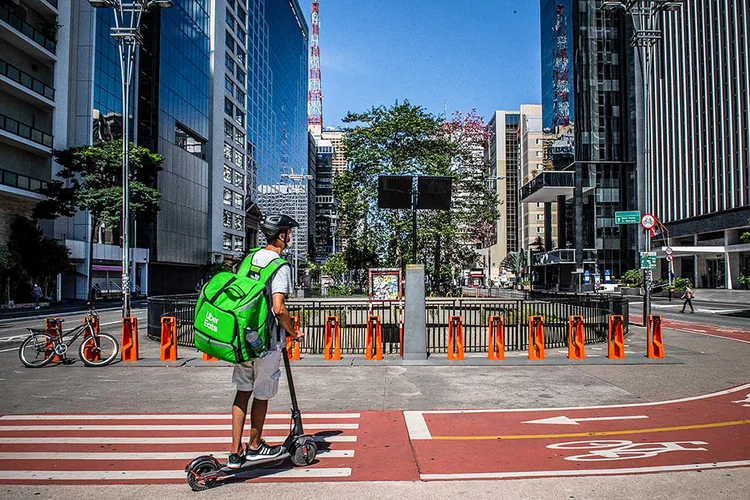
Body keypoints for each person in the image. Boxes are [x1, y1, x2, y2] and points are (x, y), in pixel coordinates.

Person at [228, 214, 304, 469]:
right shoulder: (280, 265)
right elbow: (279, 307)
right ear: (281, 235)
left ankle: (234, 451)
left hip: (242, 337)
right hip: (266, 341)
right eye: (289, 233)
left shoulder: (249, 259)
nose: (290, 237)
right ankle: (255, 446)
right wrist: (293, 332)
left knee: (242, 392)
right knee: (262, 393)